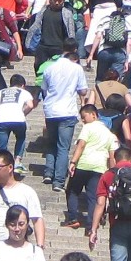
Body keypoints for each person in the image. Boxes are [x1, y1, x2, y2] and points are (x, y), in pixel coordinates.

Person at [39, 48, 88, 192]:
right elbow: (83, 90)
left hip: (51, 110)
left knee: (51, 143)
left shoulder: (49, 68)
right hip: (67, 111)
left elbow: (44, 89)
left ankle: (48, 173)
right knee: (63, 147)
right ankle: (59, 181)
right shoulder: (76, 68)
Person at [67, 101, 117, 232]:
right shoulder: (110, 134)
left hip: (83, 164)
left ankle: (73, 218)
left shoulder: (88, 128)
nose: (83, 120)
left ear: (93, 115)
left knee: (72, 191)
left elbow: (81, 145)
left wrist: (73, 162)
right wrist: (112, 173)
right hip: (99, 168)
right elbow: (112, 156)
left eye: (84, 116)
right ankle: (90, 226)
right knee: (92, 197)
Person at [0, 74, 36, 160]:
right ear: (23, 85)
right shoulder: (24, 92)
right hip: (19, 120)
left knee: (1, 146)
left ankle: (2, 161)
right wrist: (23, 113)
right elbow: (30, 105)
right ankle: (17, 160)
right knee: (21, 138)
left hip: (2, 121)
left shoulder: (0, 93)